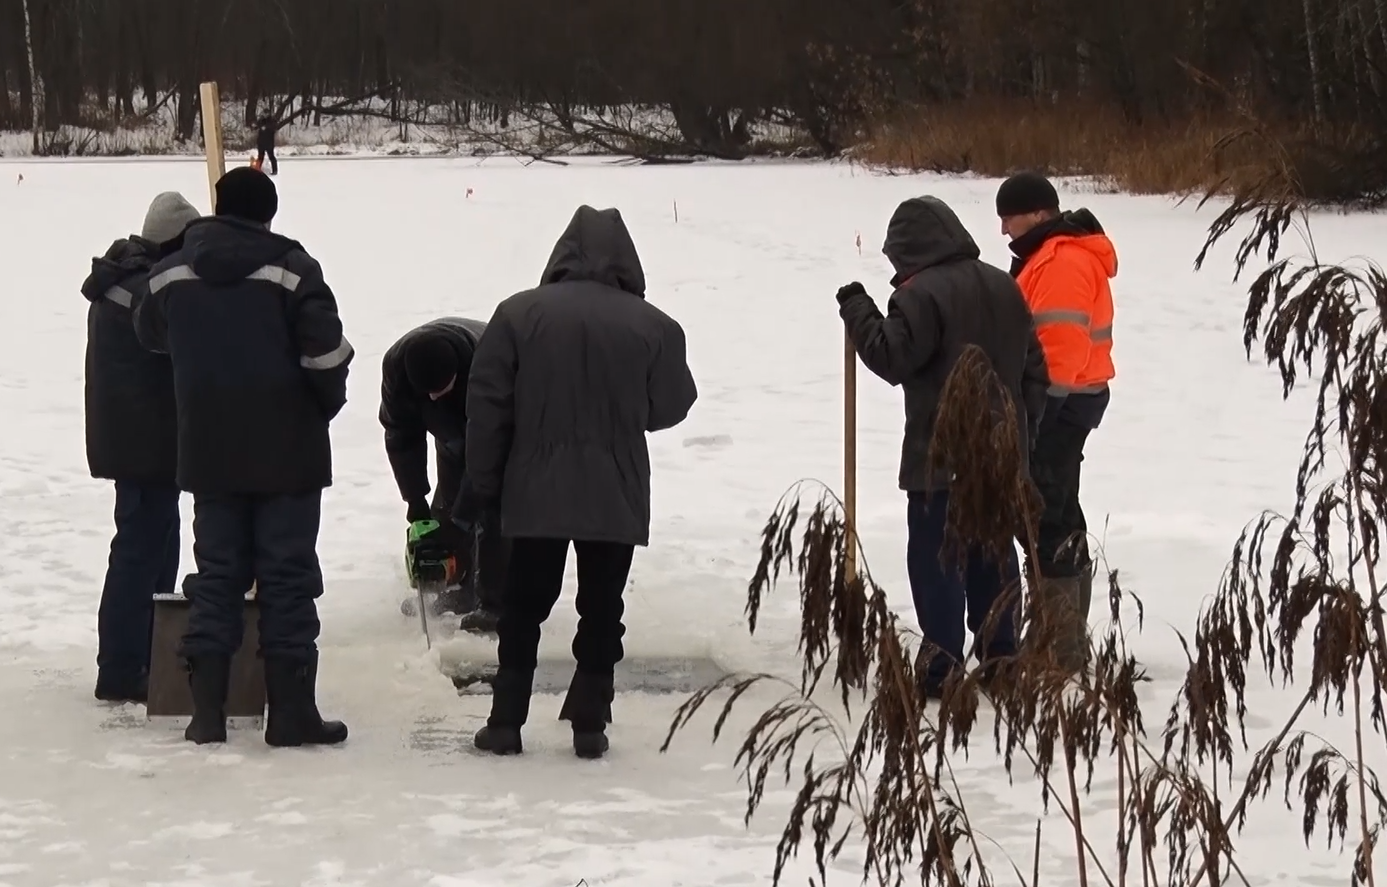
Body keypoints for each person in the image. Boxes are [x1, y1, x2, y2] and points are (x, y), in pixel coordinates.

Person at [460, 205, 698, 759]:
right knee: (602, 604)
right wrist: (621, 412)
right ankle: (590, 722)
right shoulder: (655, 326)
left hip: (535, 486)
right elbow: (671, 404)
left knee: (523, 605)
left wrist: (486, 483)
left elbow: (487, 405)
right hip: (615, 485)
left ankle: (505, 722)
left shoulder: (516, 315)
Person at [134, 167, 353, 747]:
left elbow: (148, 333)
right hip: (289, 454)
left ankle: (206, 715)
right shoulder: (295, 269)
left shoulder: (170, 273)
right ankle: (290, 715)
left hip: (209, 450)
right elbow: (326, 358)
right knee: (287, 578)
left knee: (218, 575)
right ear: (269, 215)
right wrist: (319, 410)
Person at [836, 195, 1049, 700]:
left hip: (941, 459)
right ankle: (1002, 659)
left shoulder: (921, 295)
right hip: (1000, 457)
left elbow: (892, 357)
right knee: (994, 555)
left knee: (940, 562)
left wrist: (858, 309)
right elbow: (1035, 372)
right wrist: (1019, 434)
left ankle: (942, 668)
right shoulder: (1003, 285)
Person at [81, 192, 201, 704]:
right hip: (143, 441)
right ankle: (121, 666)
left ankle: (144, 653)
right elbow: (182, 347)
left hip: (135, 437)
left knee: (155, 542)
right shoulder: (145, 292)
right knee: (139, 550)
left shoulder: (125, 279)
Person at [995, 172, 1117, 673]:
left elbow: (1059, 349)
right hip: (1073, 399)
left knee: (1047, 516)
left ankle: (1057, 650)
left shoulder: (1061, 261)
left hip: (1060, 404)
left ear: (1038, 214)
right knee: (1060, 511)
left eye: (1009, 217)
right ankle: (1063, 642)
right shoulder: (1050, 255)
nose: (1003, 229)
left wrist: (1036, 417)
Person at [380, 317, 509, 633]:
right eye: (426, 393)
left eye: (441, 390)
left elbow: (486, 457)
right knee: (447, 508)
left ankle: (495, 604)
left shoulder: (487, 365)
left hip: (502, 433)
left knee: (490, 512)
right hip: (451, 434)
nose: (434, 397)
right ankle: (459, 591)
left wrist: (460, 521)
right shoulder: (397, 369)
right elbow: (400, 435)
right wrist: (415, 500)